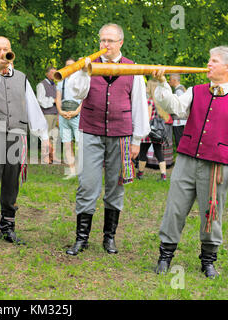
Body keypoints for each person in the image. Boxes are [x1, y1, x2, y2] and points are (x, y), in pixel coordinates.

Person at [152, 46, 228, 278]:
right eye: (209, 60)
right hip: (187, 160)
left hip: (216, 166)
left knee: (211, 214)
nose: (208, 64)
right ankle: (165, 257)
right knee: (175, 209)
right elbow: (174, 108)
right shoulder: (196, 91)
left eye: (213, 61)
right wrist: (163, 84)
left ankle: (208, 261)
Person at [65, 23, 150, 256]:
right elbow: (75, 94)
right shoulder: (89, 64)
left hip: (121, 135)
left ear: (120, 43)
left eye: (110, 41)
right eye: (103, 40)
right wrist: (84, 70)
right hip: (90, 131)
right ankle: (81, 238)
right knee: (87, 185)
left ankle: (109, 238)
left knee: (116, 186)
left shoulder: (133, 68)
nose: (105, 45)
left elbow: (140, 106)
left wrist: (137, 139)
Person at [0, 36, 48, 252]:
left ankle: (8, 225)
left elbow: (32, 106)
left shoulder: (22, 77)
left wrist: (43, 136)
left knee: (11, 182)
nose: (1, 52)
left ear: (11, 50)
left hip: (16, 135)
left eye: (5, 49)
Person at [55, 58, 82, 179]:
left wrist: (76, 112)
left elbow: (85, 100)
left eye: (72, 65)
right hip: (63, 115)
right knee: (67, 144)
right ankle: (71, 171)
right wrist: (60, 112)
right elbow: (58, 98)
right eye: (67, 65)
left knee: (80, 144)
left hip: (77, 114)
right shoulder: (61, 81)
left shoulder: (81, 81)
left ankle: (81, 170)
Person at [137, 79, 168, 181]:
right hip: (156, 131)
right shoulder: (157, 101)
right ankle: (163, 175)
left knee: (143, 152)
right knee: (158, 153)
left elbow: (148, 117)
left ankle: (140, 174)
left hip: (148, 131)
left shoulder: (148, 101)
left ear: (148, 88)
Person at [36, 66, 60, 163]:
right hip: (47, 114)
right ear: (47, 74)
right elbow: (40, 100)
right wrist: (53, 100)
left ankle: (53, 156)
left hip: (55, 113)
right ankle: (45, 157)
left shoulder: (55, 85)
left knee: (54, 136)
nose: (54, 75)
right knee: (46, 136)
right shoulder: (41, 85)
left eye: (55, 73)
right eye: (52, 73)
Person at [168, 73, 187, 148]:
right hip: (181, 120)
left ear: (174, 80)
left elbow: (181, 105)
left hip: (179, 120)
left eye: (170, 80)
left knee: (179, 142)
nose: (169, 81)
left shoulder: (179, 91)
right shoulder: (181, 89)